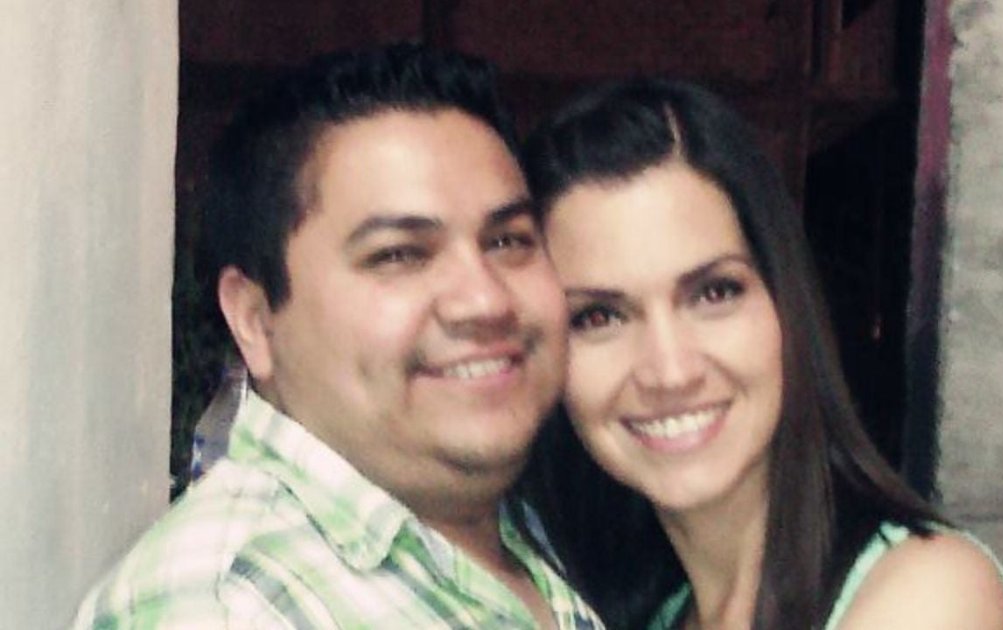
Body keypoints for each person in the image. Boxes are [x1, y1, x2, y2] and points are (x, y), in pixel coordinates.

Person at [72, 45, 604, 629]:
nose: (485, 300)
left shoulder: (538, 530)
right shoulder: (229, 607)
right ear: (255, 318)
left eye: (508, 241)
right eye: (399, 255)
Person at [520, 78, 1003, 629]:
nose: (669, 371)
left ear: (786, 301)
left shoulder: (929, 592)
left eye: (714, 292)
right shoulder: (654, 614)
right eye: (599, 317)